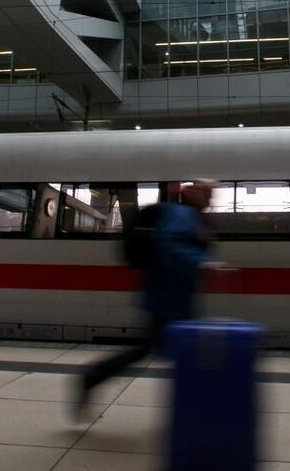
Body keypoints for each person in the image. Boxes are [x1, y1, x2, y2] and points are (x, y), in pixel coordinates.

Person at [74, 180, 217, 420]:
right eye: (207, 193)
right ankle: (197, 412)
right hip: (168, 299)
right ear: (192, 194)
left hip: (172, 298)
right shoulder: (183, 215)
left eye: (211, 194)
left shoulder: (192, 217)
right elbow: (169, 245)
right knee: (182, 353)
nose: (211, 199)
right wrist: (202, 263)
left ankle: (93, 377)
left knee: (157, 351)